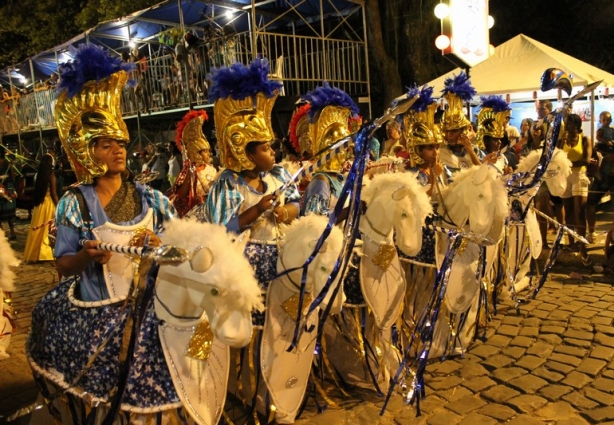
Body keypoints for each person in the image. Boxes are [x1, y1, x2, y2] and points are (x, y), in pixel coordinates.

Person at [189, 58, 299, 305]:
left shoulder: (278, 176)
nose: (272, 153)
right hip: (244, 268)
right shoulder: (228, 184)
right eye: (265, 148)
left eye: (271, 147)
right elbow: (222, 228)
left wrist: (285, 212)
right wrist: (258, 209)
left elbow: (297, 205)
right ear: (246, 154)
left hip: (283, 258)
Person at [290, 82, 359, 220]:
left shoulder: (337, 179)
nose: (347, 150)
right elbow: (316, 223)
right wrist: (352, 209)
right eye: (343, 146)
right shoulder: (321, 182)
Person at [166, 110, 217, 217]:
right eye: (205, 151)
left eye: (208, 150)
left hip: (212, 209)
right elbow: (179, 195)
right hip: (195, 213)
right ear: (196, 152)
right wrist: (190, 175)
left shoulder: (211, 168)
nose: (209, 153)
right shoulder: (187, 170)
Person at [558, 113, 591, 264]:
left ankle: (582, 245)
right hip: (565, 176)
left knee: (579, 211)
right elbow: (557, 158)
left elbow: (587, 160)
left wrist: (569, 163)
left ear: (576, 125)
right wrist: (561, 143)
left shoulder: (584, 139)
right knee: (569, 211)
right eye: (566, 124)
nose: (567, 127)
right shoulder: (562, 140)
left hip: (579, 175)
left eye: (570, 124)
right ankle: (571, 243)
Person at [438, 72, 482, 173]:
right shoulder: (441, 152)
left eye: (454, 131)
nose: (450, 135)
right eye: (448, 131)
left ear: (463, 130)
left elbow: (482, 173)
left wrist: (470, 151)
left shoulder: (475, 150)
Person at [22, 153, 59, 262]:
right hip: (48, 204)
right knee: (47, 229)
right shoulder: (51, 176)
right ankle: (45, 253)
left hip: (39, 205)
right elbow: (54, 193)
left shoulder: (37, 176)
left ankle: (35, 253)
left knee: (38, 229)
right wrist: (59, 206)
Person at [587, 111, 614, 242]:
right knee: (590, 202)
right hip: (602, 174)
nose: (606, 121)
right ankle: (591, 231)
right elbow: (597, 148)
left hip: (610, 174)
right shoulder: (600, 140)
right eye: (604, 119)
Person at [474, 95, 514, 174]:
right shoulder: (477, 157)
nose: (499, 142)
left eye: (500, 139)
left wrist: (508, 175)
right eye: (495, 140)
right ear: (486, 141)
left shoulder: (503, 158)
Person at [0, 147, 17, 241]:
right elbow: (13, 178)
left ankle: (4, 233)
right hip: (8, 188)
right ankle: (12, 232)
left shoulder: (7, 164)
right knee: (9, 213)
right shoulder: (8, 164)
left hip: (5, 189)